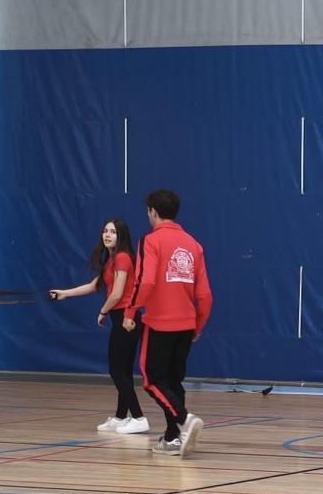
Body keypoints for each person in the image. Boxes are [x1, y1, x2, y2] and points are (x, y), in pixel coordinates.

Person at [124, 190, 211, 458]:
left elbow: (145, 280)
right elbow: (205, 295)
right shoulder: (193, 244)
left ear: (152, 211)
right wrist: (198, 326)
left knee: (152, 380)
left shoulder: (150, 241)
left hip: (160, 324)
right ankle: (173, 438)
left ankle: (184, 421)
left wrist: (130, 311)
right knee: (172, 382)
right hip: (185, 325)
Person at [48, 219, 149, 434]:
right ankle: (122, 417)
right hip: (121, 319)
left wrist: (103, 311)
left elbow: (117, 293)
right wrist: (64, 293)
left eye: (113, 232)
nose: (107, 235)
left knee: (116, 370)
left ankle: (139, 417)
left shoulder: (122, 258)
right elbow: (94, 286)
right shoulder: (111, 261)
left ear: (121, 236)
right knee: (122, 371)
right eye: (105, 231)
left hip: (126, 320)